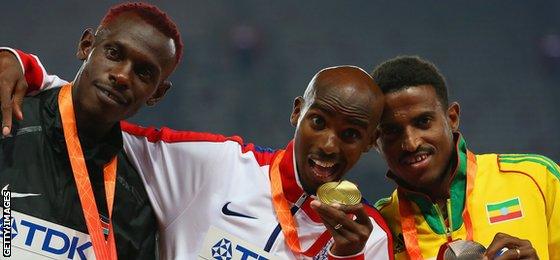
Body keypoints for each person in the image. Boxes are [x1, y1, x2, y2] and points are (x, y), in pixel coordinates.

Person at [1, 52, 394, 259]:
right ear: (297, 112)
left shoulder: (370, 237)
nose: (328, 145)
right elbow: (95, 114)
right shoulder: (216, 166)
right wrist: (24, 66)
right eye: (319, 122)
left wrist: (347, 258)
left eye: (350, 134)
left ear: (371, 141)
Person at [370, 56, 560, 259]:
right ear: (375, 141)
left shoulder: (535, 178)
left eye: (423, 122)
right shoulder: (379, 227)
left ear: (452, 118)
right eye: (392, 131)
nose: (411, 143)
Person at [0, 2, 182, 259]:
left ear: (157, 94)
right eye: (114, 54)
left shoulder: (135, 206)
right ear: (86, 46)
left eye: (143, 73)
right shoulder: (9, 120)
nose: (122, 76)